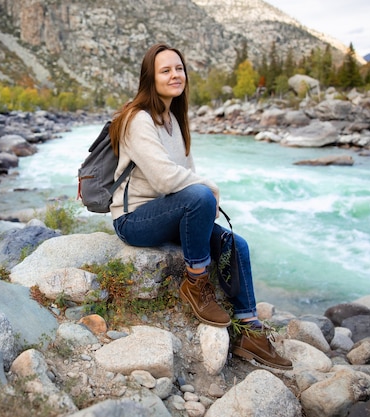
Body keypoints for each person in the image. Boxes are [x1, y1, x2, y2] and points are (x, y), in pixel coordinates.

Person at [108, 43, 292, 370]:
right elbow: (168, 180)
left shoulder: (173, 119)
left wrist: (201, 195)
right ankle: (196, 283)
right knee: (201, 196)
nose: (175, 75)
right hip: (134, 219)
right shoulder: (138, 119)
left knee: (236, 245)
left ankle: (250, 330)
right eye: (165, 70)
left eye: (179, 68)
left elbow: (186, 175)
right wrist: (210, 189)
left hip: (170, 212)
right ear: (150, 78)